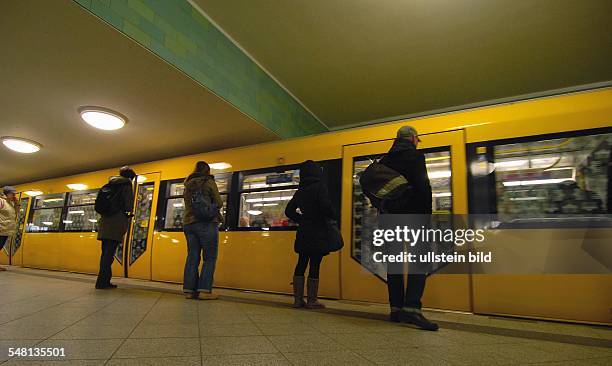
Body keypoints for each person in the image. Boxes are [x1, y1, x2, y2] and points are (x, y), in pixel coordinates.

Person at [379, 126, 439, 331]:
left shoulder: (384, 161)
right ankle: (412, 309)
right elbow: (424, 188)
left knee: (394, 265)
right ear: (413, 138)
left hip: (389, 219)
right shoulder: (415, 157)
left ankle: (396, 309)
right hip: (414, 218)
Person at [285, 160, 337, 308]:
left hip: (304, 232)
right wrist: (332, 216)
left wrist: (302, 219)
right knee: (315, 264)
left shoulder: (300, 190)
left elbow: (289, 211)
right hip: (318, 231)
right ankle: (312, 300)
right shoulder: (320, 187)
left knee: (301, 263)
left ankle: (297, 300)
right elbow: (326, 207)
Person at [182, 161, 223, 300]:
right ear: (207, 171)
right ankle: (204, 291)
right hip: (206, 223)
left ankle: (189, 291)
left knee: (192, 256)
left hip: (188, 224)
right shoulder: (209, 182)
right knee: (209, 258)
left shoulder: (187, 185)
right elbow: (219, 203)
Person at [95, 166, 136, 289]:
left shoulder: (110, 185)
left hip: (105, 223)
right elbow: (128, 206)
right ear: (130, 177)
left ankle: (101, 281)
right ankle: (103, 282)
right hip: (116, 223)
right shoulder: (126, 186)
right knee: (109, 255)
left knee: (105, 254)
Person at [0, 186, 19, 271]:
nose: (14, 195)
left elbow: (16, 213)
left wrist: (17, 203)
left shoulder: (10, 203)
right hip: (1, 228)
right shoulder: (1, 201)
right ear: (7, 193)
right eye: (13, 193)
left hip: (6, 229)